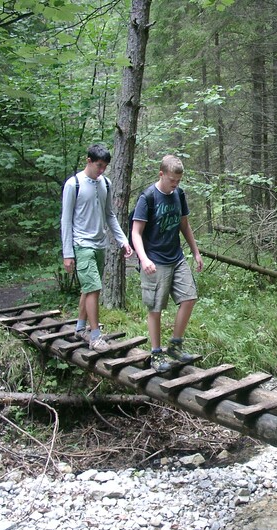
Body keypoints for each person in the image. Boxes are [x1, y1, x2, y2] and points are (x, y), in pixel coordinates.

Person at [131, 154, 204, 372]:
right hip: (155, 260)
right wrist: (143, 258)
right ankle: (156, 353)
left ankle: (175, 345)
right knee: (155, 308)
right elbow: (136, 232)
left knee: (189, 297)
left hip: (176, 257)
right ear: (161, 174)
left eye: (178, 181)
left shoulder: (179, 195)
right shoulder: (148, 198)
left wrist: (196, 252)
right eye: (172, 180)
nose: (175, 184)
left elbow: (184, 225)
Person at [61, 144, 133, 352]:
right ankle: (95, 336)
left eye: (105, 166)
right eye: (99, 165)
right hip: (81, 244)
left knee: (88, 288)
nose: (102, 170)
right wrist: (68, 254)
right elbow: (66, 220)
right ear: (89, 161)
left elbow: (109, 214)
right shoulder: (73, 184)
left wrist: (123, 240)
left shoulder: (106, 184)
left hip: (100, 244)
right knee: (94, 288)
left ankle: (80, 328)